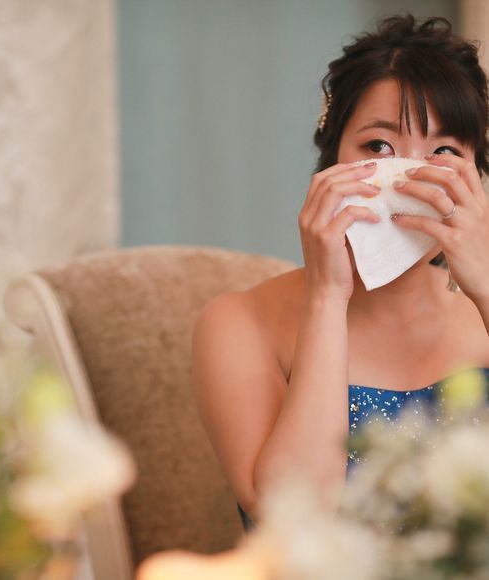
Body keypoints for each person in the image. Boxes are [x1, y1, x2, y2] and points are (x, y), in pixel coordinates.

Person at [191, 13, 489, 532]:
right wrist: (327, 295)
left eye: (443, 151)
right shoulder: (238, 323)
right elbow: (293, 517)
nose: (407, 177)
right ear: (332, 158)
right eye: (378, 147)